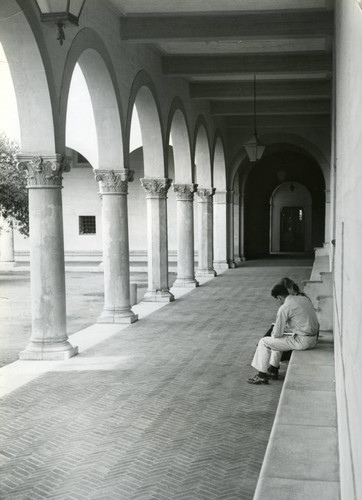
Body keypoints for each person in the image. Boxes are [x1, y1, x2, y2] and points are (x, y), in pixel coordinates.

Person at [248, 283, 319, 385]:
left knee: (264, 342)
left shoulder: (285, 307)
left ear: (279, 297)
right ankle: (273, 369)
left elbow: (277, 333)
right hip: (313, 339)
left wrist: (275, 331)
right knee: (279, 341)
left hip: (303, 341)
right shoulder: (303, 299)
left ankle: (261, 375)